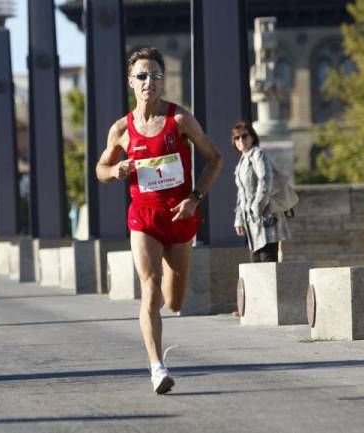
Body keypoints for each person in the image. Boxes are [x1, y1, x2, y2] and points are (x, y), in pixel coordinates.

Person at [96, 47, 223, 394]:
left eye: (155, 75)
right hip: (144, 217)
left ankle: (171, 276)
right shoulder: (121, 129)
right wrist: (116, 170)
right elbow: (100, 170)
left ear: (162, 80)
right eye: (142, 75)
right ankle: (157, 367)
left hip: (180, 215)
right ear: (130, 82)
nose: (149, 81)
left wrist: (195, 199)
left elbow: (215, 158)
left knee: (175, 302)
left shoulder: (180, 120)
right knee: (149, 289)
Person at [232, 121, 290, 262]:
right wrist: (239, 219)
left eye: (244, 136)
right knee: (256, 260)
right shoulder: (242, 161)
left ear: (252, 137)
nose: (241, 140)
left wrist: (255, 209)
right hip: (252, 221)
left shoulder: (258, 154)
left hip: (266, 216)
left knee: (267, 259)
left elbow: (265, 182)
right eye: (237, 138)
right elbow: (241, 193)